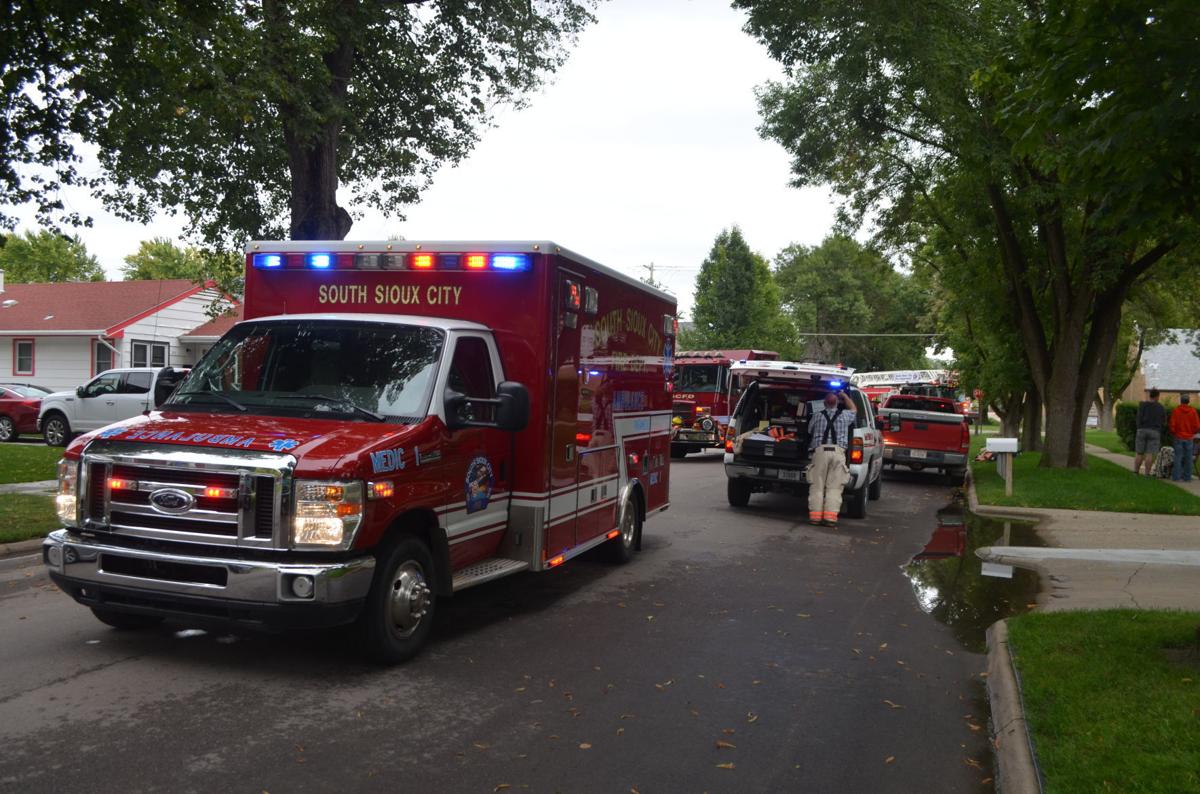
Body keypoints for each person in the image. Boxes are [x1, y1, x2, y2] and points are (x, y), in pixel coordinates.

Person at [806, 388, 857, 527]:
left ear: (824, 403)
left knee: (817, 486)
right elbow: (854, 409)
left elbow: (809, 430)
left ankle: (815, 518)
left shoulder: (817, 415)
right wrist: (844, 396)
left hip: (820, 452)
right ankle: (830, 518)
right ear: (837, 403)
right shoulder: (845, 415)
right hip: (838, 453)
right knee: (834, 487)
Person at [1167, 393, 1200, 482]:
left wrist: (1174, 433)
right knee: (1188, 457)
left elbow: (1172, 425)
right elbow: (1197, 426)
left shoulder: (1176, 410)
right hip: (1189, 437)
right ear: (1188, 401)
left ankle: (1176, 477)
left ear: (1181, 401)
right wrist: (1192, 433)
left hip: (1178, 436)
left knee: (1178, 457)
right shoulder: (1193, 411)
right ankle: (1187, 477)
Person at [1134, 389, 1166, 476]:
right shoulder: (1160, 407)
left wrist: (1139, 427)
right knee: (1150, 453)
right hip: (1155, 431)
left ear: (1150, 395)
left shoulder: (1142, 405)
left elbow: (1138, 417)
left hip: (1142, 429)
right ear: (1157, 396)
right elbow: (1164, 421)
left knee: (1139, 452)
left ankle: (1136, 472)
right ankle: (1147, 474)